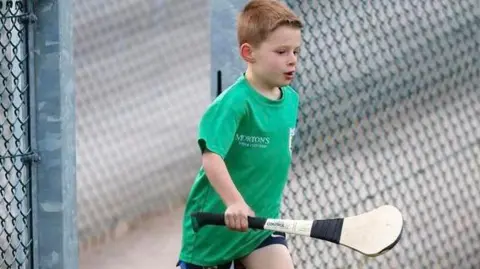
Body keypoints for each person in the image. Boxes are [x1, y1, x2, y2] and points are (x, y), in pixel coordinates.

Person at [177, 0, 303, 268]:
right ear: (249, 53)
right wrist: (234, 203)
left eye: (296, 51)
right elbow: (212, 157)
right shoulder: (233, 104)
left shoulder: (291, 100)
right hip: (214, 231)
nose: (292, 59)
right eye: (281, 51)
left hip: (260, 227)